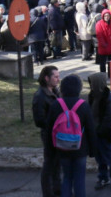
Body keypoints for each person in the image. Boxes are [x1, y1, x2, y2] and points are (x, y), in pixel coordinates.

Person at [45, 74, 96, 197]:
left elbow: (49, 129)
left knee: (67, 177)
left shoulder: (56, 105)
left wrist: (50, 150)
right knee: (79, 179)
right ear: (78, 88)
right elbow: (91, 130)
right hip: (80, 149)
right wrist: (93, 151)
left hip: (62, 148)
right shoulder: (83, 105)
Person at [88, 72, 111, 192]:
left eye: (92, 83)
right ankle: (103, 177)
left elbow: (110, 118)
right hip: (96, 133)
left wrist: (99, 131)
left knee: (110, 158)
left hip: (106, 134)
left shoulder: (108, 98)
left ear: (97, 84)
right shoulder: (93, 95)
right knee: (100, 158)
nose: (91, 86)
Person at [32, 66, 61, 197]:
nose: (58, 79)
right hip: (49, 134)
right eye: (55, 77)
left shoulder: (56, 91)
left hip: (58, 133)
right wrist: (54, 124)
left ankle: (57, 189)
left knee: (57, 163)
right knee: (49, 164)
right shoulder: (40, 96)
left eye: (58, 76)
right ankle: (48, 193)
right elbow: (39, 120)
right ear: (46, 78)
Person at [95, 9, 111, 75]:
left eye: (108, 16)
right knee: (102, 63)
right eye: (105, 16)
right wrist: (103, 44)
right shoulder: (99, 24)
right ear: (103, 16)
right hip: (103, 47)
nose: (107, 17)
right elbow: (99, 35)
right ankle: (103, 75)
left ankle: (110, 75)